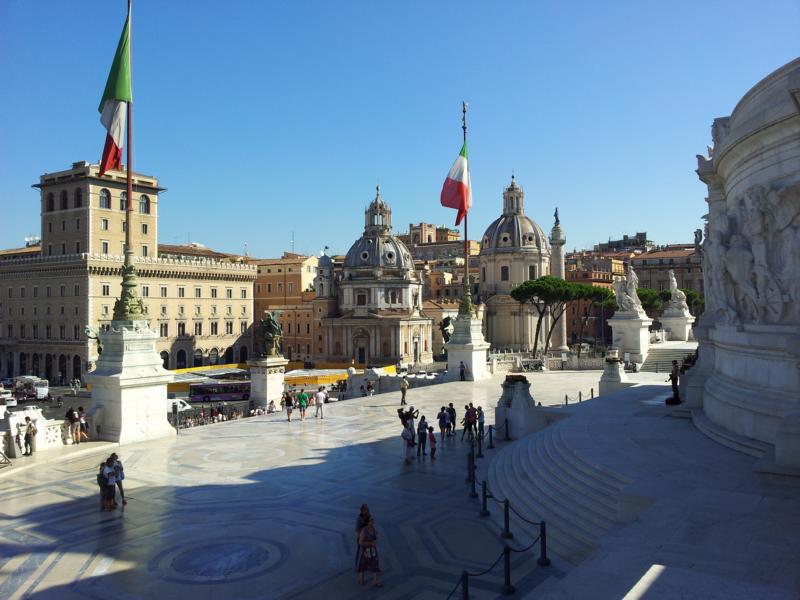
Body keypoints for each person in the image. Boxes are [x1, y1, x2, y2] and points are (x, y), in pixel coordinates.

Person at [356, 516, 382, 587]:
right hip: (366, 551)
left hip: (373, 550)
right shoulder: (364, 530)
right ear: (367, 522)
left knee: (375, 564)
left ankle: (375, 581)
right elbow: (360, 542)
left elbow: (376, 537)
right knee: (363, 565)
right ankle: (361, 579)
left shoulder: (373, 529)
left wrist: (375, 541)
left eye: (372, 521)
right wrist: (370, 543)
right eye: (371, 521)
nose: (372, 522)